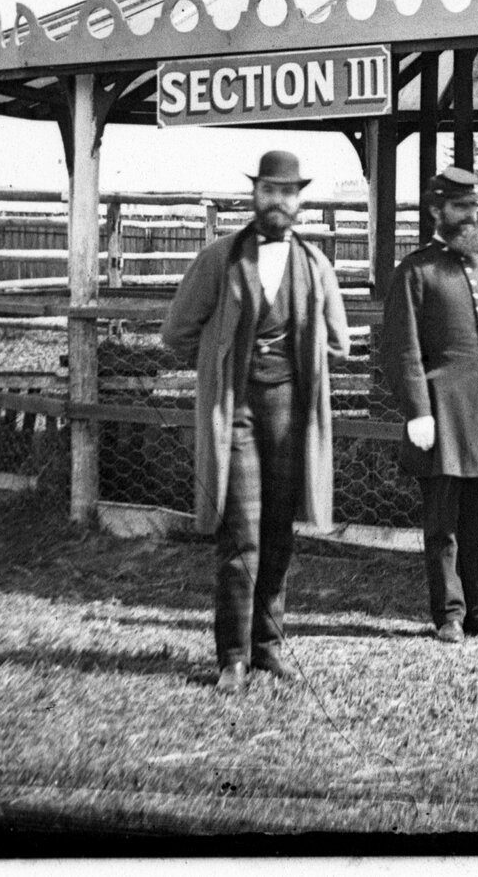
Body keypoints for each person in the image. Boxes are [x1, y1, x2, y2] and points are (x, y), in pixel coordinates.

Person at [160, 148, 351, 692]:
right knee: (240, 533)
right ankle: (233, 658)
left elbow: (338, 341)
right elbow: (177, 332)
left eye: (287, 193)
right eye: (268, 190)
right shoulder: (220, 259)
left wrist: (300, 356)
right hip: (236, 412)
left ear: (299, 202)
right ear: (254, 195)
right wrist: (219, 359)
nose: (277, 201)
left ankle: (268, 647)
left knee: (278, 533)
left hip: (291, 413)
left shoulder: (314, 265)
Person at [382, 164, 478, 643]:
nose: (470, 215)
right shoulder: (415, 271)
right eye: (460, 207)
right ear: (437, 210)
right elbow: (402, 349)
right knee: (443, 523)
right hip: (443, 414)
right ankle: (449, 614)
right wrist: (418, 411)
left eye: (474, 206)